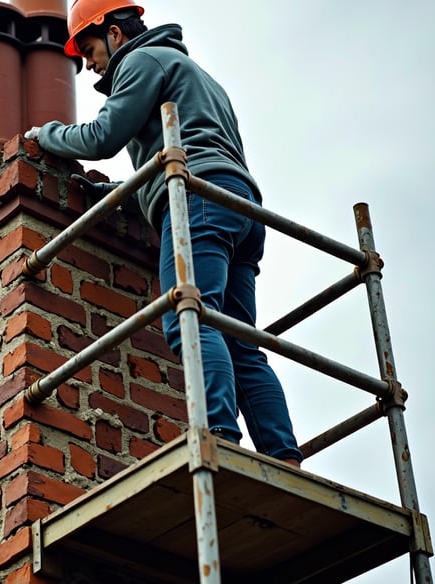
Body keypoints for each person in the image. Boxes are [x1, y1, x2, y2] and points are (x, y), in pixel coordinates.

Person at [25, 0, 302, 467]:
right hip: (238, 206)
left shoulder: (140, 60)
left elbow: (102, 137)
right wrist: (117, 191)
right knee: (240, 339)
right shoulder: (191, 71)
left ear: (114, 33)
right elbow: (173, 155)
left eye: (89, 48)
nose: (89, 64)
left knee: (189, 315)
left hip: (198, 200)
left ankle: (219, 437)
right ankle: (284, 456)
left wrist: (44, 135)